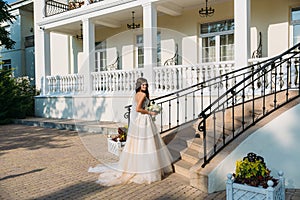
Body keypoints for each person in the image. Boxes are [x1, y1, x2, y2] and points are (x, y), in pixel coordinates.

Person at [89, 77, 173, 185]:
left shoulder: (137, 94)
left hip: (139, 120)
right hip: (144, 119)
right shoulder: (142, 95)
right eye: (143, 85)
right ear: (139, 86)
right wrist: (150, 112)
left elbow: (141, 107)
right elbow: (138, 109)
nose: (145, 86)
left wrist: (151, 108)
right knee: (147, 143)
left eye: (146, 85)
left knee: (140, 143)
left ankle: (139, 166)